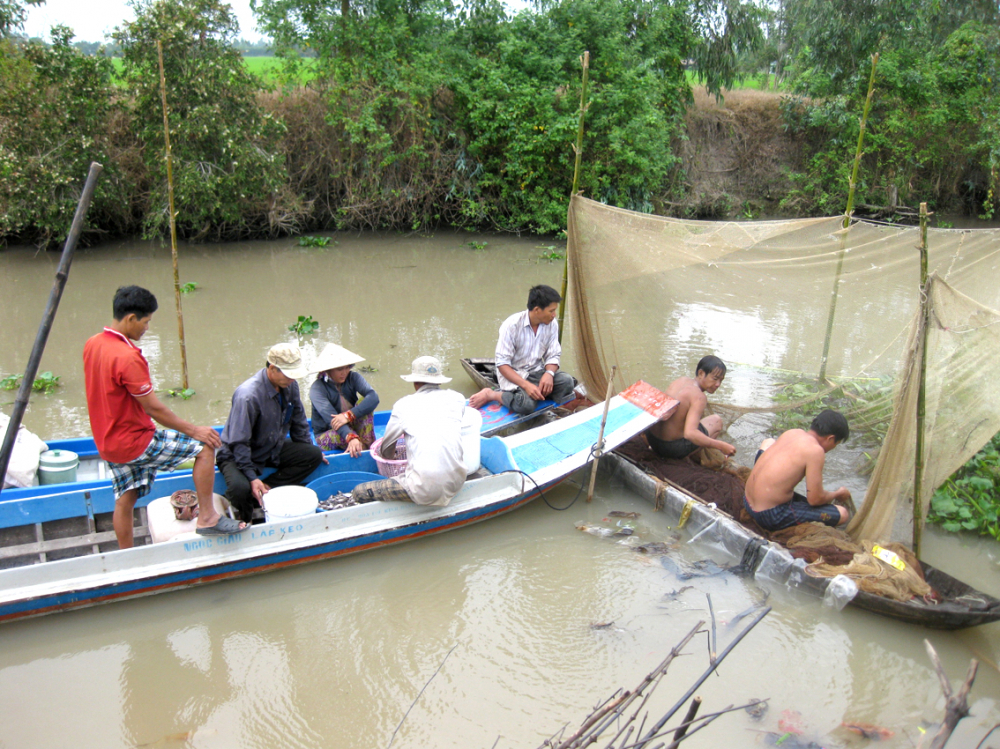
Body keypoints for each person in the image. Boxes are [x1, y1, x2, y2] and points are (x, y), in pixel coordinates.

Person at [82, 285, 245, 548]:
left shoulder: (93, 344)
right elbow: (153, 408)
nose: (147, 328)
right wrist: (194, 430)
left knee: (126, 497)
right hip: (134, 440)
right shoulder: (128, 357)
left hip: (107, 441)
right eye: (146, 322)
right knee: (204, 447)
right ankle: (207, 518)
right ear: (131, 318)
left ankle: (126, 557)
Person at [216, 343, 325, 523]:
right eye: (289, 374)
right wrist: (251, 477)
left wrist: (308, 448)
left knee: (313, 455)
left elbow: (299, 422)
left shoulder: (290, 386)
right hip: (237, 453)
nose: (292, 379)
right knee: (239, 489)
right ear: (272, 368)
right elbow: (239, 442)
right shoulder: (248, 396)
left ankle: (267, 489)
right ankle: (246, 515)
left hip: (271, 446)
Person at [351, 356, 467, 507]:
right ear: (439, 381)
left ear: (415, 382)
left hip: (424, 489)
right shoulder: (457, 399)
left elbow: (386, 450)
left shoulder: (403, 405)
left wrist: (392, 455)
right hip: (457, 481)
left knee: (359, 492)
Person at [468, 284, 575, 415]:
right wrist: (525, 385)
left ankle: (531, 394)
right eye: (551, 311)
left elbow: (553, 354)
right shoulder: (511, 325)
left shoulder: (551, 324)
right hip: (514, 375)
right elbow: (502, 364)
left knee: (567, 382)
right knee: (526, 405)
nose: (554, 315)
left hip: (536, 371)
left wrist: (549, 374)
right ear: (537, 310)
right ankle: (492, 394)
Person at [743, 409, 852, 532]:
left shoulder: (793, 432)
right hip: (769, 515)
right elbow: (815, 499)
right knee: (842, 514)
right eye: (835, 444)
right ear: (830, 439)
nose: (833, 447)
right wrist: (837, 493)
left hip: (747, 501)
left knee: (769, 442)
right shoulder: (816, 451)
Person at [645, 355, 736, 461]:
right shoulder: (699, 397)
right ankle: (687, 458)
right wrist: (721, 445)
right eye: (715, 379)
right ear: (701, 373)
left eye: (721, 380)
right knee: (716, 421)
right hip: (669, 449)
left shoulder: (680, 380)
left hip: (652, 439)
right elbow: (690, 433)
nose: (718, 384)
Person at [309, 343, 380, 457]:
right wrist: (350, 436)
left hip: (350, 421)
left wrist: (348, 415)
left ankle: (366, 448)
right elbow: (332, 420)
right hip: (328, 432)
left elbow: (373, 397)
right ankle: (366, 451)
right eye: (339, 369)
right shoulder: (317, 389)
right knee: (345, 438)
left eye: (347, 367)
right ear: (328, 370)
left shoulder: (353, 377)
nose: (345, 372)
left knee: (364, 401)